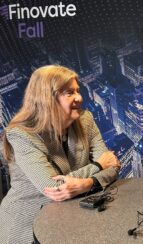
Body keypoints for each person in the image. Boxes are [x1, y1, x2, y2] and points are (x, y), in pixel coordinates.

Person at [0, 65, 121, 244]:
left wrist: (87, 183)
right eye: (69, 93)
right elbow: (53, 188)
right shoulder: (21, 135)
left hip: (68, 218)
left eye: (78, 91)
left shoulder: (85, 120)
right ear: (47, 98)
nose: (79, 97)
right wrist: (98, 166)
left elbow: (113, 167)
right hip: (28, 224)